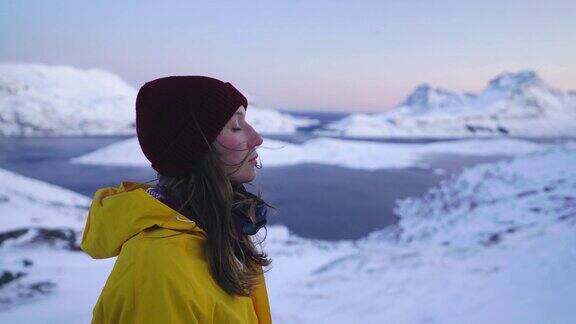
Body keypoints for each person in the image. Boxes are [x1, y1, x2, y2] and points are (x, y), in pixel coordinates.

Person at [80, 76, 275, 324]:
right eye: (236, 126)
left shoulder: (222, 230)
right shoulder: (159, 272)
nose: (256, 137)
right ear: (194, 147)